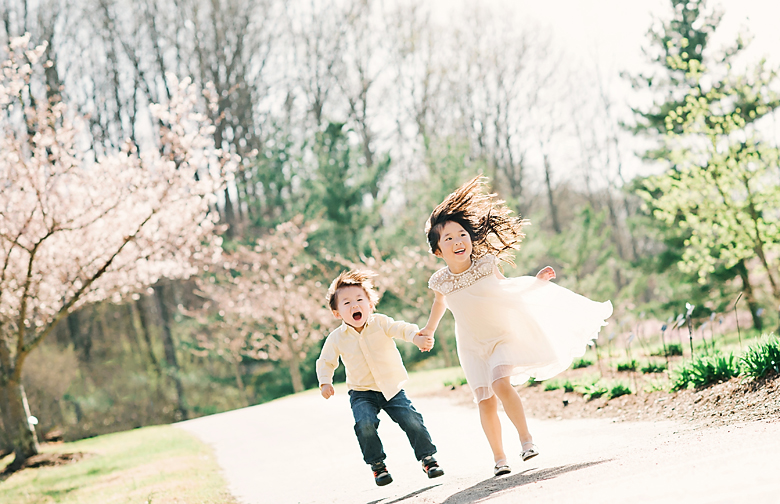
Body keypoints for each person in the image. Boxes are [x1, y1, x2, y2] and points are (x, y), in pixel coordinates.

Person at [418, 175, 613, 477]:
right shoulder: (440, 281)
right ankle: (499, 458)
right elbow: (440, 304)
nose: (458, 241)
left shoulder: (485, 265)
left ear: (470, 238)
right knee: (484, 402)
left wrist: (536, 284)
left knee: (500, 383)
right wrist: (429, 330)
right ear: (438, 251)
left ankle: (526, 439)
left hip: (501, 336)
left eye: (462, 235)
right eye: (449, 238)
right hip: (470, 345)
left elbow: (507, 290)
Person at [316, 269, 445, 486]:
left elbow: (400, 328)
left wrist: (415, 337)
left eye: (359, 299)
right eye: (346, 303)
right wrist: (325, 382)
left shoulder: (381, 323)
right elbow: (326, 361)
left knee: (412, 421)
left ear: (370, 305)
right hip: (361, 392)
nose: (354, 305)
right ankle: (378, 466)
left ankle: (428, 458)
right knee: (364, 424)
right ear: (337, 313)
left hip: (391, 389)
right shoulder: (336, 338)